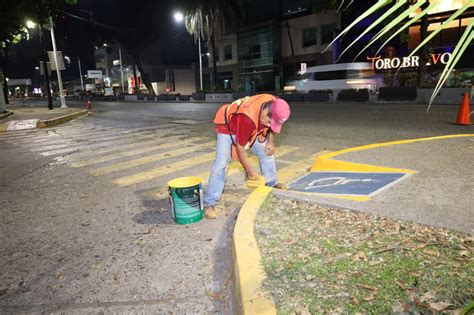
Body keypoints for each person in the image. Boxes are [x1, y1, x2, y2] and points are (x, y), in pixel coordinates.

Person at [203, 94, 291, 219]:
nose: (269, 125)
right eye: (269, 121)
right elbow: (240, 147)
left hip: (252, 127)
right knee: (221, 164)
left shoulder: (275, 103)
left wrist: (271, 142)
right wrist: (250, 172)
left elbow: (271, 126)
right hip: (228, 126)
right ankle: (210, 202)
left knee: (267, 152)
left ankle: (271, 184)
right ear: (266, 111)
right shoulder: (246, 118)